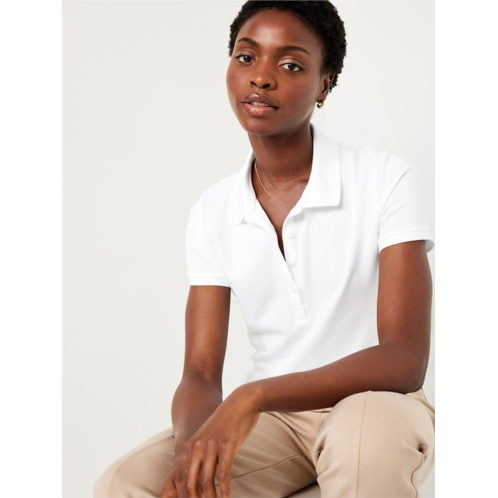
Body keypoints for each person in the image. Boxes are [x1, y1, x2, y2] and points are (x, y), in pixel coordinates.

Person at [94, 0, 435, 496]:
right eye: (246, 57)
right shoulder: (213, 210)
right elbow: (200, 372)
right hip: (276, 423)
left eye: (291, 65)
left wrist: (251, 396)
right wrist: (192, 447)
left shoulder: (384, 179)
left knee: (363, 447)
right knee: (129, 482)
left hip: (378, 404)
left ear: (324, 85)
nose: (260, 77)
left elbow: (404, 357)